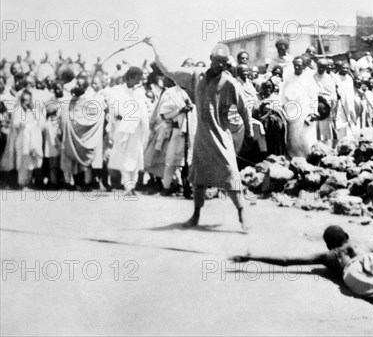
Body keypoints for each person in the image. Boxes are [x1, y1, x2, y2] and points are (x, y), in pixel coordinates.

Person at [231, 225, 373, 321]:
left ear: (329, 245)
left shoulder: (330, 256)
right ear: (346, 236)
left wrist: (251, 257)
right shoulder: (360, 243)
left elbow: (287, 261)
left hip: (353, 270)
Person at [146, 39, 253, 231]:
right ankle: (195, 215)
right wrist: (155, 46)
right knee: (198, 177)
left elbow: (244, 108)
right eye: (217, 60)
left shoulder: (229, 83)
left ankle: (241, 210)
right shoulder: (196, 76)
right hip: (202, 135)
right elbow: (169, 70)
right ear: (210, 59)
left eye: (224, 61)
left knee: (230, 171)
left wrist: (250, 131)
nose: (220, 64)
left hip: (222, 135)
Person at [106, 66, 150, 196]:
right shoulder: (118, 91)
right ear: (130, 77)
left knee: (135, 157)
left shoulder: (140, 92)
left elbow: (143, 111)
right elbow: (114, 110)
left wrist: (144, 127)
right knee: (123, 157)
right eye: (137, 79)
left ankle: (133, 185)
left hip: (136, 129)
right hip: (122, 128)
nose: (139, 82)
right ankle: (127, 185)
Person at [60, 76, 106, 190]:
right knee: (73, 159)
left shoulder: (89, 99)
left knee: (85, 160)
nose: (78, 87)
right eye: (77, 84)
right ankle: (76, 182)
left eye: (81, 85)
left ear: (86, 87)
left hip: (85, 134)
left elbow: (99, 113)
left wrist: (83, 123)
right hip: (73, 134)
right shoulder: (72, 99)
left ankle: (87, 183)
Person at [281, 56, 319, 158]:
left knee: (306, 137)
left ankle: (308, 157)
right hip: (292, 111)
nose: (297, 67)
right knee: (293, 137)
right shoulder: (288, 78)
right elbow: (283, 95)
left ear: (303, 66)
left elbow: (314, 96)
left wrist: (313, 111)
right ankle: (294, 158)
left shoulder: (308, 78)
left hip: (306, 110)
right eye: (295, 65)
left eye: (299, 65)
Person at [313, 59, 337, 146]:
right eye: (320, 67)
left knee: (325, 131)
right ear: (317, 67)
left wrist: (326, 99)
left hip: (325, 109)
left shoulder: (329, 79)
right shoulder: (312, 77)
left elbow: (333, 96)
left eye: (323, 67)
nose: (321, 69)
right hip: (314, 108)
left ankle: (327, 148)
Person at [334, 62, 357, 140]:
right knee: (339, 123)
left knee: (349, 123)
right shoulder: (335, 78)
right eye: (343, 68)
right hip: (339, 105)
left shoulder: (349, 79)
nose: (346, 70)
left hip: (349, 104)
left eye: (347, 68)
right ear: (339, 68)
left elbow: (351, 92)